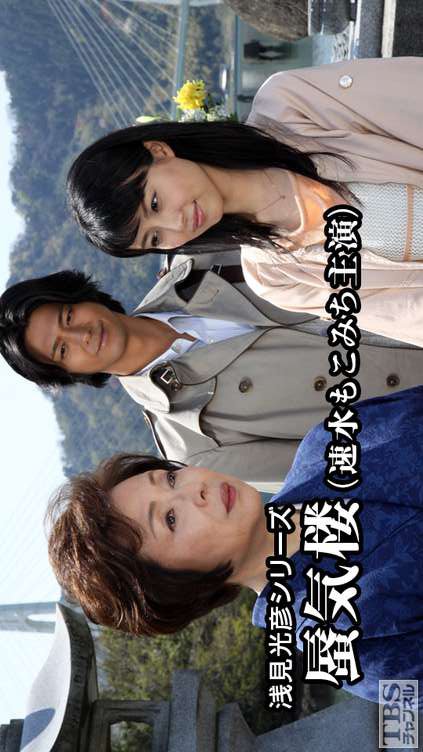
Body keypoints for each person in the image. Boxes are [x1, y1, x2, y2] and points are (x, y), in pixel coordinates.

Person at [46, 386, 423, 707]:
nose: (196, 490)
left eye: (171, 479)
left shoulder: (324, 444)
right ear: (179, 586)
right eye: (170, 520)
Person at [67, 57, 423, 347]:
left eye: (155, 203)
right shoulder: (271, 275)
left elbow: (410, 100)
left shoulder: (287, 107)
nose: (176, 224)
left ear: (158, 151)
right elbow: (401, 313)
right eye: (155, 238)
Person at [3, 268, 423, 486]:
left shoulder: (199, 266)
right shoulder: (191, 444)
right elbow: (339, 465)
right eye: (62, 350)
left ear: (80, 295)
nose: (81, 335)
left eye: (68, 316)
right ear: (70, 374)